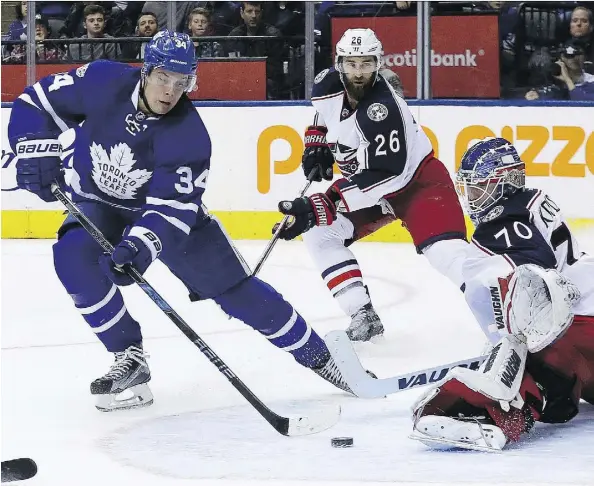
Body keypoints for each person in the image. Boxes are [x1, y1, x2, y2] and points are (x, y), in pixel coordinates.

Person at [8, 30, 355, 412]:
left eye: (181, 82)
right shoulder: (102, 79)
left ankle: (322, 358)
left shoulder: (189, 135)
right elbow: (35, 103)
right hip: (98, 204)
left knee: (238, 293)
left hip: (170, 220)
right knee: (72, 258)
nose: (170, 91)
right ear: (145, 70)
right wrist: (33, 149)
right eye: (162, 78)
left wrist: (140, 246)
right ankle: (128, 356)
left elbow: (169, 210)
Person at [273, 28, 468, 342]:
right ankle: (361, 313)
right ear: (340, 64)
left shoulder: (383, 110)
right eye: (351, 64)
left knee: (447, 255)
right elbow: (323, 114)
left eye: (366, 63)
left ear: (378, 63)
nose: (359, 72)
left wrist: (327, 201)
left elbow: (389, 172)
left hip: (417, 185)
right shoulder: (327, 85)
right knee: (320, 233)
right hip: (371, 191)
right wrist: (315, 143)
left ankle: (505, 307)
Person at [409, 138, 594, 451]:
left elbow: (534, 282)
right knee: (549, 371)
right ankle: (547, 393)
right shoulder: (532, 201)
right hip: (584, 338)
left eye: (478, 187)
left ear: (504, 184)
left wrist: (507, 346)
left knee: (523, 347)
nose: (471, 198)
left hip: (578, 328)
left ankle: (491, 414)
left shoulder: (504, 222)